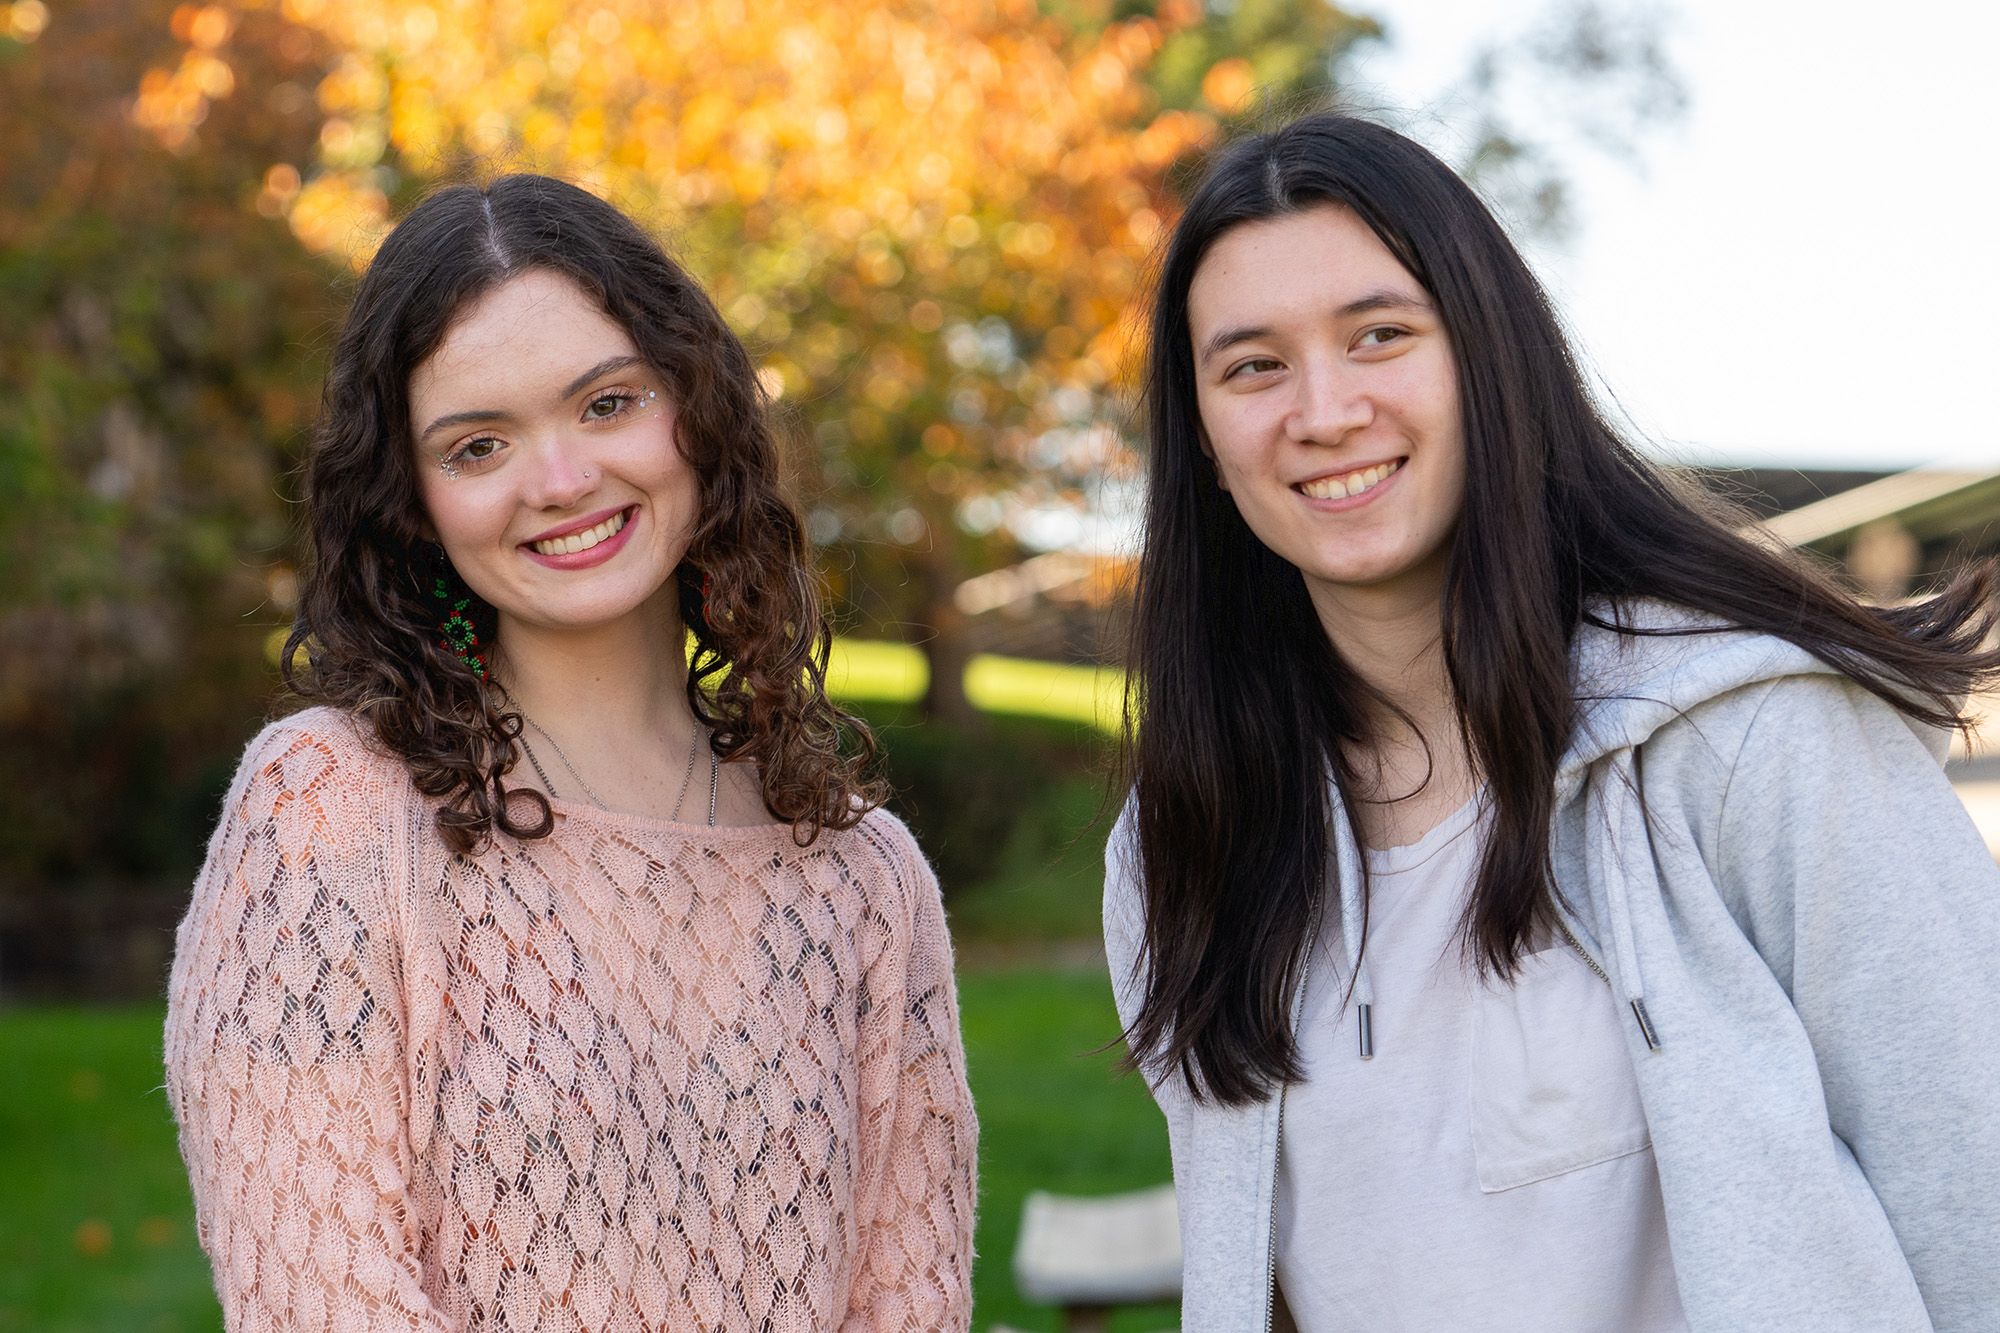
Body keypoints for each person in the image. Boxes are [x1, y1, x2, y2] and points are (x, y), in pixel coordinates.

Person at [1103, 111, 2000, 1332]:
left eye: (1378, 336)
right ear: (1203, 438)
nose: (1322, 410)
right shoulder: (1181, 848)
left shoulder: (1751, 742)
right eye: (1251, 365)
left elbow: (1973, 1189)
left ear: (1487, 359)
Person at [164, 175, 977, 1332]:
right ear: (414, 500)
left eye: (605, 404)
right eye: (479, 444)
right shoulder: (330, 815)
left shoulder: (864, 882)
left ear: (694, 407)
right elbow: (320, 1304)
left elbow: (911, 1308)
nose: (559, 481)